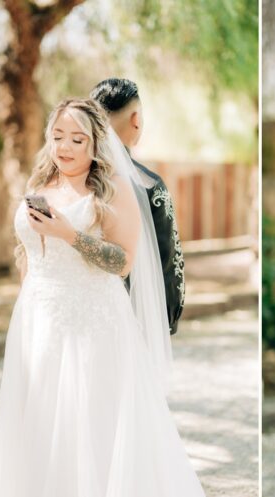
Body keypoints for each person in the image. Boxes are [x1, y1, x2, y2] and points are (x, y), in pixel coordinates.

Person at [0, 98, 204, 496]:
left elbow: (122, 262)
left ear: (96, 144)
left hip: (92, 320)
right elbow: (26, 250)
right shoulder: (39, 185)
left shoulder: (113, 191)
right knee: (40, 416)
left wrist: (70, 234)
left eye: (77, 140)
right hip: (38, 315)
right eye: (58, 137)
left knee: (88, 420)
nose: (64, 147)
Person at [90, 78, 185, 334]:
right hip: (131, 321)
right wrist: (168, 320)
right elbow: (169, 263)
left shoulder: (70, 178)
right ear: (136, 120)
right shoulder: (149, 186)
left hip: (74, 314)